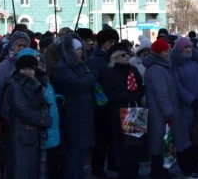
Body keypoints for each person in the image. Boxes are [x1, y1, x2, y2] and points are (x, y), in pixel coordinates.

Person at [144, 38, 190, 179]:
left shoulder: (162, 66)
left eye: (168, 50)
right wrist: (168, 113)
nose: (167, 52)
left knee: (164, 142)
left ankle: (161, 171)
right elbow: (161, 94)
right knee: (159, 143)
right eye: (164, 50)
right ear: (158, 52)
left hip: (163, 112)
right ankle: (158, 172)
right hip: (160, 114)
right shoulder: (157, 69)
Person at [102, 43, 147, 179]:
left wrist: (137, 94)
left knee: (136, 141)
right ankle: (124, 172)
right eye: (123, 54)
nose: (126, 56)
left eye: (128, 54)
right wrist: (127, 96)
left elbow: (140, 86)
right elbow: (109, 92)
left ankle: (135, 170)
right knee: (122, 145)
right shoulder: (110, 72)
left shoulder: (133, 70)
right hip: (119, 112)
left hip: (135, 110)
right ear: (115, 57)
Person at [55, 33, 97, 179]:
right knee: (73, 152)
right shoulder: (63, 67)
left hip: (83, 113)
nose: (81, 52)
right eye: (77, 50)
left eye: (81, 49)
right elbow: (79, 84)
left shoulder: (80, 65)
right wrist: (93, 75)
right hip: (72, 115)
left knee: (81, 151)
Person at [4, 55, 52, 179]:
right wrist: (44, 119)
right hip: (21, 134)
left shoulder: (36, 84)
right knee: (21, 170)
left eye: (30, 68)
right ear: (18, 70)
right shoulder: (15, 86)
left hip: (33, 134)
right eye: (24, 68)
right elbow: (23, 110)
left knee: (32, 169)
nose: (27, 71)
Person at [170, 37, 198, 177]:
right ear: (179, 49)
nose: (188, 49)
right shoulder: (175, 64)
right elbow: (177, 85)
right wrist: (191, 100)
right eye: (184, 47)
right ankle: (185, 166)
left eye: (189, 47)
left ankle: (196, 164)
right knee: (185, 137)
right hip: (185, 106)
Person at [89, 28, 120, 178]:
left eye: (115, 42)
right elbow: (94, 82)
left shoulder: (115, 56)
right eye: (110, 42)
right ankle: (98, 166)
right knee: (101, 139)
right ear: (102, 43)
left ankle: (114, 163)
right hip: (101, 104)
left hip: (115, 103)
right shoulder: (95, 60)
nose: (112, 45)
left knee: (114, 136)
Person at [0, 31, 30, 121]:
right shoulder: (4, 66)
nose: (22, 48)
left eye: (24, 45)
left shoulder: (34, 62)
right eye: (19, 45)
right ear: (12, 46)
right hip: (10, 113)